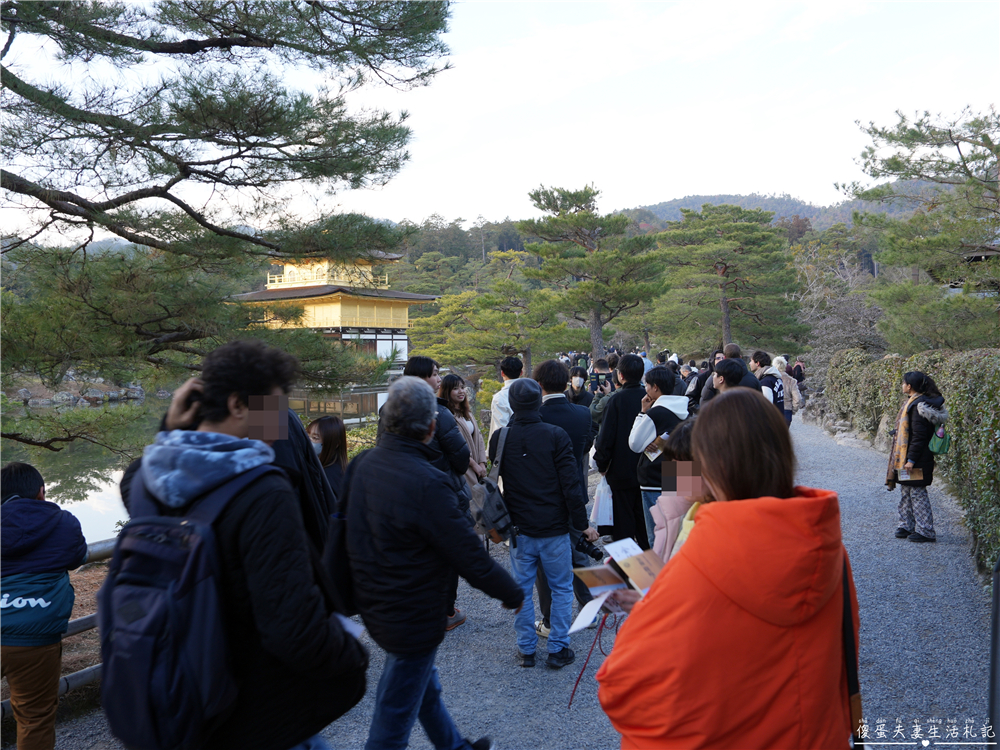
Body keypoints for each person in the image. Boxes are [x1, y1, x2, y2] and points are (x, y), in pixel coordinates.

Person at [119, 339, 367, 750]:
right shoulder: (260, 492)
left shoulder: (151, 478)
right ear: (237, 405)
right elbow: (294, 630)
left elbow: (145, 474)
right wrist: (351, 654)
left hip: (188, 682)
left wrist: (172, 429)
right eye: (272, 405)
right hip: (254, 703)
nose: (279, 422)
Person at [597, 389, 860, 749]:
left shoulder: (701, 560)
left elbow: (623, 689)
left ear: (712, 464)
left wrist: (648, 608)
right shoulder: (826, 548)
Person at [345, 377, 521, 750]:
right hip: (412, 609)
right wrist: (508, 590)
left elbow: (340, 529)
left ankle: (454, 746)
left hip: (375, 599)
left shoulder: (363, 463)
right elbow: (465, 551)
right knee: (394, 713)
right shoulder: (428, 481)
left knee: (423, 685)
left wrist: (335, 594)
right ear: (429, 429)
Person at [488, 378, 599, 669]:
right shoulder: (555, 435)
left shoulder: (500, 437)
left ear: (511, 404)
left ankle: (526, 649)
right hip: (554, 528)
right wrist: (583, 524)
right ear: (539, 402)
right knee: (561, 588)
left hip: (519, 529)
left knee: (522, 589)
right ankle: (558, 648)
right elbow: (571, 486)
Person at [1, 462, 88, 750]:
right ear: (41, 492)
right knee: (34, 718)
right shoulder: (63, 521)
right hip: (34, 635)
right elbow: (77, 556)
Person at [534, 360, 596, 636]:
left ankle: (550, 620)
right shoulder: (582, 414)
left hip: (542, 497)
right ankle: (589, 609)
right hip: (575, 491)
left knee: (545, 561)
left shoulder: (533, 415)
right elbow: (587, 445)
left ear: (539, 385)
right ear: (566, 382)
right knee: (579, 550)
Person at [627, 366, 688, 549]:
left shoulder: (656, 413)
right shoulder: (686, 410)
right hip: (685, 471)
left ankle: (662, 576)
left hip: (656, 477)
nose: (645, 389)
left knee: (659, 537)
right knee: (682, 533)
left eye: (646, 385)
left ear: (655, 387)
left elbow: (635, 444)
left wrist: (642, 412)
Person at [594, 354, 649, 549]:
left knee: (623, 528)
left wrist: (601, 463)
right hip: (648, 473)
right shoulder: (650, 399)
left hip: (621, 471)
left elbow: (606, 437)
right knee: (646, 526)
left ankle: (626, 572)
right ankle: (650, 570)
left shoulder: (616, 400)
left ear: (621, 375)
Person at [886, 371, 947, 543]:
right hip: (910, 457)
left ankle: (926, 531)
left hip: (916, 458)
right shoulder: (913, 403)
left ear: (909, 386)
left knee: (918, 492)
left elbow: (919, 437)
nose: (902, 385)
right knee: (906, 490)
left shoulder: (918, 406)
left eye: (903, 382)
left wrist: (911, 460)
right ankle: (907, 525)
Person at [439, 373, 488, 493]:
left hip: (477, 465)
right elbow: (453, 446)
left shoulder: (467, 413)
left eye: (462, 387)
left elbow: (479, 439)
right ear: (447, 391)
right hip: (464, 467)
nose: (461, 391)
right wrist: (474, 465)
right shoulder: (447, 415)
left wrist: (482, 463)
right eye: (455, 388)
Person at [308, 415, 348, 499]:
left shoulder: (329, 476)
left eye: (315, 438)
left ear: (336, 444)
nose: (309, 441)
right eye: (308, 436)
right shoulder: (341, 470)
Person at [489, 356, 523, 441]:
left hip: (509, 443)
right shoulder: (531, 392)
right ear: (521, 372)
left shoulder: (499, 397)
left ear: (502, 373)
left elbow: (502, 427)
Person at [750, 350, 785, 415]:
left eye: (751, 361)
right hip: (779, 417)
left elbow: (767, 405)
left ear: (757, 363)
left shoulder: (765, 382)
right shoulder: (775, 377)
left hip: (771, 420)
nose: (749, 363)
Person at [774, 356, 802, 426]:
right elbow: (797, 398)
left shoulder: (770, 379)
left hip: (773, 410)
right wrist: (793, 409)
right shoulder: (791, 381)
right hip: (787, 410)